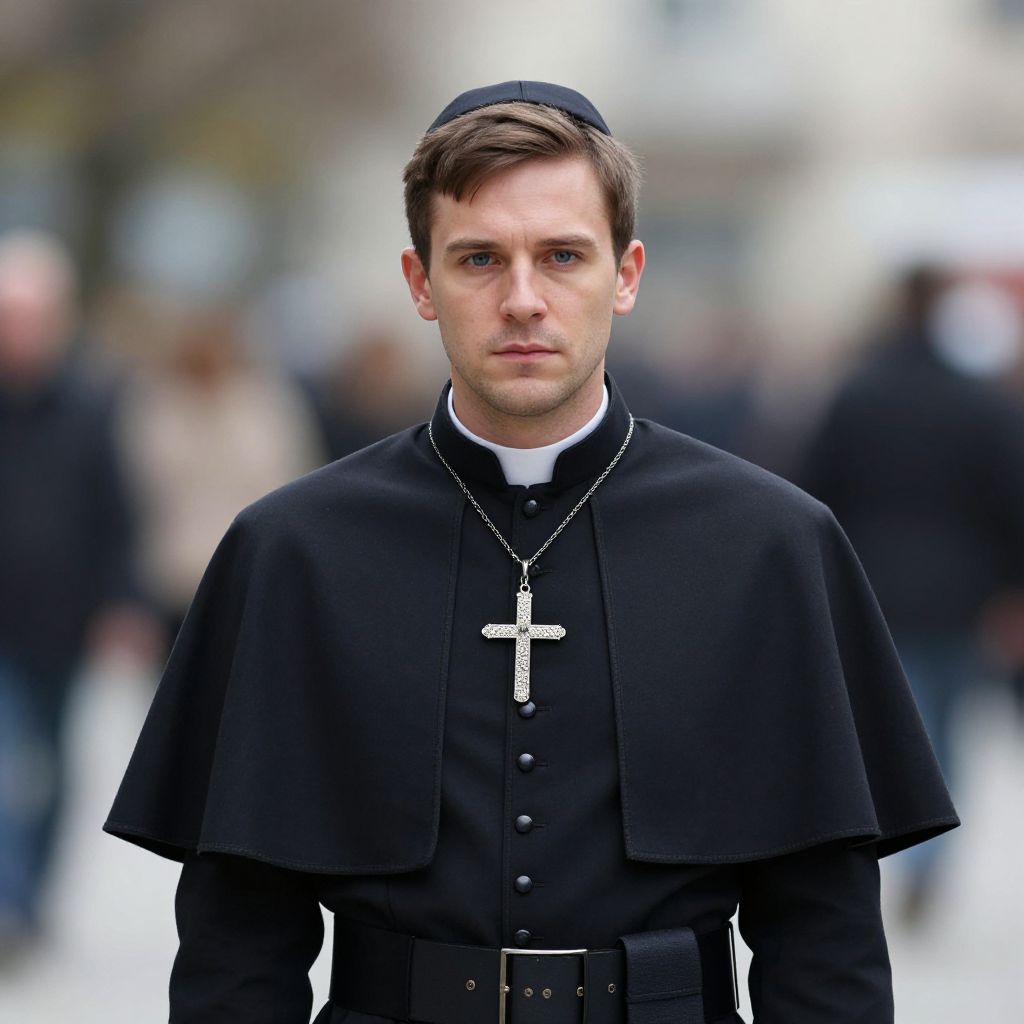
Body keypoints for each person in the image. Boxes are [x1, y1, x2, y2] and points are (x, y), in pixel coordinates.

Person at [105, 82, 957, 1023]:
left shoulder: (772, 546)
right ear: (420, 283)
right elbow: (236, 953)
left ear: (627, 274)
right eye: (478, 259)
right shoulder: (293, 552)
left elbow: (825, 948)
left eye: (561, 256)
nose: (522, 299)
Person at [797, 266, 1024, 925]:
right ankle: (928, 860)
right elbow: (1012, 502)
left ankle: (901, 854)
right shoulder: (981, 401)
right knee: (944, 732)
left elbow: (811, 487)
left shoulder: (856, 393)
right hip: (961, 594)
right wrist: (1013, 590)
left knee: (888, 725)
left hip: (870, 587)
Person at [0, 230, 151, 961]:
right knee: (6, 759)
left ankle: (30, 896)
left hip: (60, 620)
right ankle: (8, 898)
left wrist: (123, 604)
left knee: (52, 764)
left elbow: (119, 512)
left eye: (30, 315)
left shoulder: (92, 405)